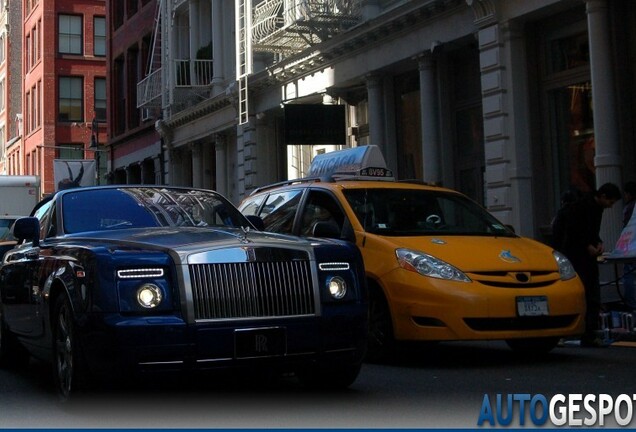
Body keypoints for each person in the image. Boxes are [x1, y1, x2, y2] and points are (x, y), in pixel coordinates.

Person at [553, 182, 621, 347]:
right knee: (586, 292)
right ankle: (585, 332)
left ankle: (587, 332)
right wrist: (589, 244)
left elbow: (588, 231)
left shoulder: (592, 206)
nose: (610, 206)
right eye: (610, 202)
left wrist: (597, 242)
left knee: (590, 293)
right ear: (603, 196)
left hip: (580, 254)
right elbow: (575, 230)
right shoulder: (583, 206)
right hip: (576, 255)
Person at [621, 181, 636, 311]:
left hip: (631, 246)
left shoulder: (629, 208)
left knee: (629, 275)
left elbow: (627, 228)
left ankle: (631, 305)